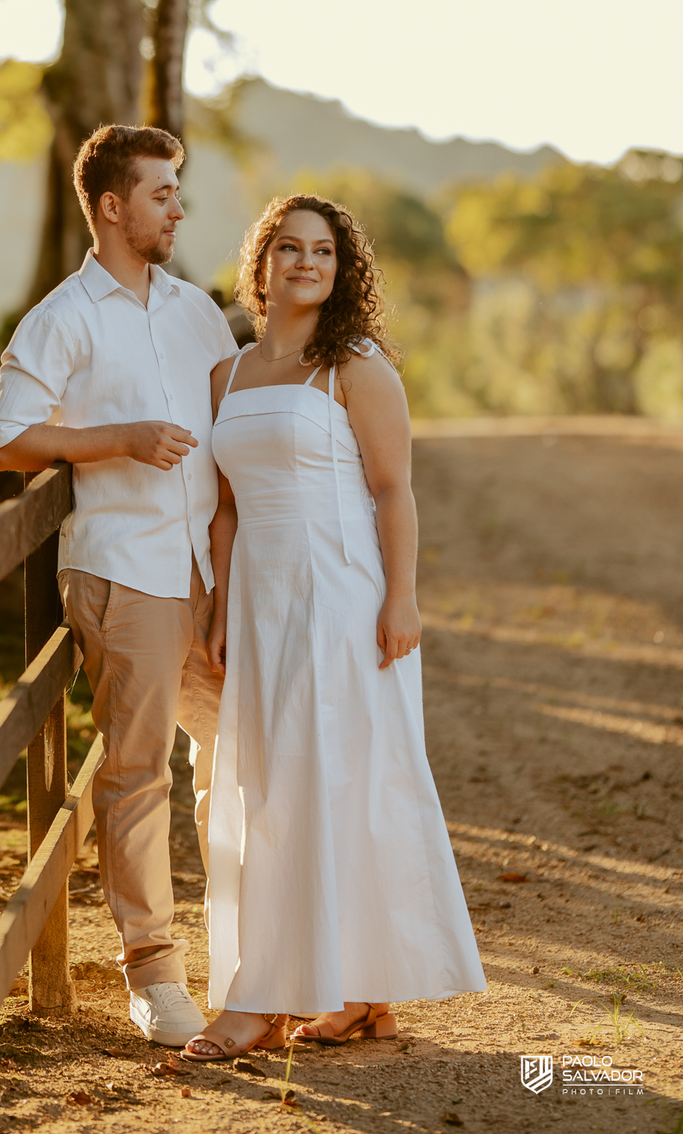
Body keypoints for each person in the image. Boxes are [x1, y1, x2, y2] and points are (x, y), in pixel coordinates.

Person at [181, 194, 486, 1062]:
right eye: (289, 247)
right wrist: (219, 607)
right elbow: (226, 508)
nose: (306, 262)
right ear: (261, 263)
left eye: (323, 251)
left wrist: (401, 599)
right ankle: (359, 997)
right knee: (275, 786)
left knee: (343, 782)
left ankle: (263, 1000)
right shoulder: (228, 376)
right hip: (261, 597)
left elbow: (393, 491)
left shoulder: (353, 366)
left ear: (341, 270)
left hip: (343, 592)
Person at [0, 124, 238, 1046]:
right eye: (161, 193)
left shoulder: (197, 311)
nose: (178, 208)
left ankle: (252, 952)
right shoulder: (61, 318)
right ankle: (154, 974)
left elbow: (234, 430)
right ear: (111, 206)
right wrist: (118, 440)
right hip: (124, 570)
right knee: (136, 775)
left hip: (208, 571)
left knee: (245, 756)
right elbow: (8, 440)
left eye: (177, 191)